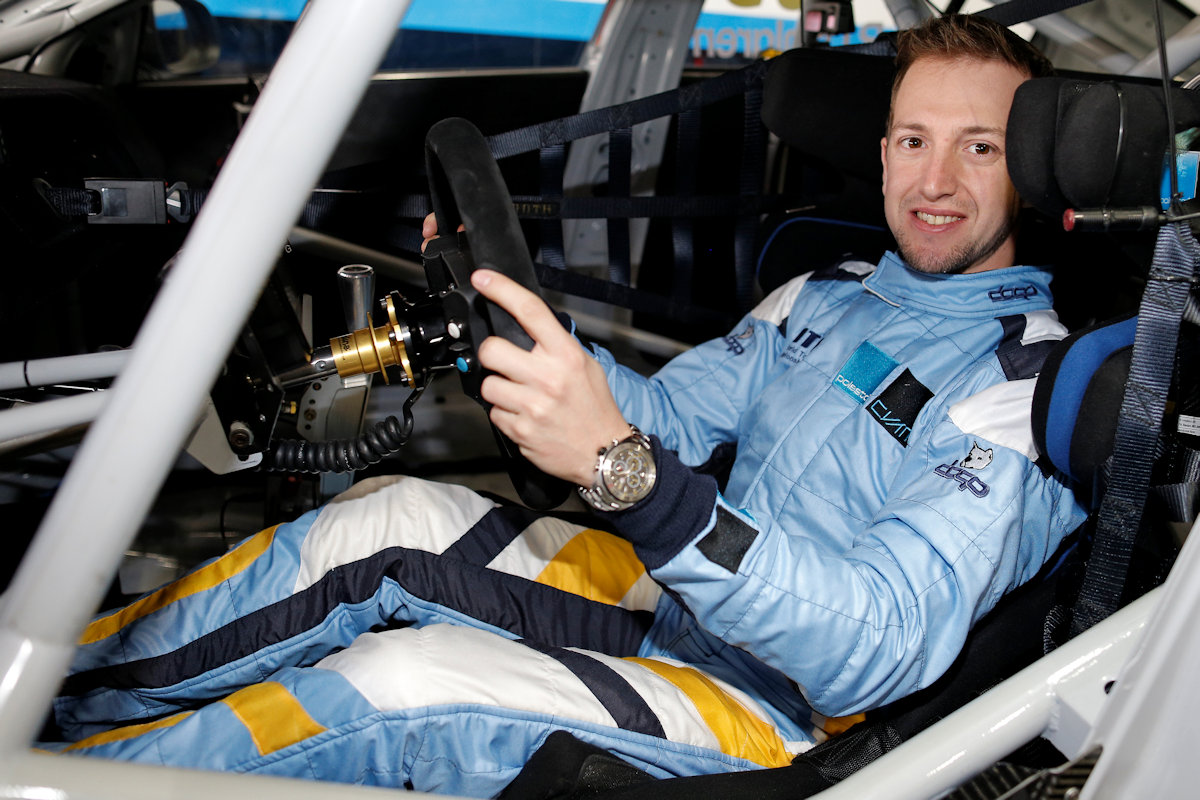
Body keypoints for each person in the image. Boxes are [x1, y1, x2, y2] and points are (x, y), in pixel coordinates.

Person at [43, 14, 1085, 798]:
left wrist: (632, 478)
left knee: (396, 681)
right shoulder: (827, 295)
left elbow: (877, 643)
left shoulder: (1021, 387)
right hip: (683, 608)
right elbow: (663, 420)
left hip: (793, 712)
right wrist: (532, 334)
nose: (934, 178)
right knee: (385, 515)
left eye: (978, 146)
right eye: (912, 140)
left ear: (1029, 172)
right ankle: (49, 701)